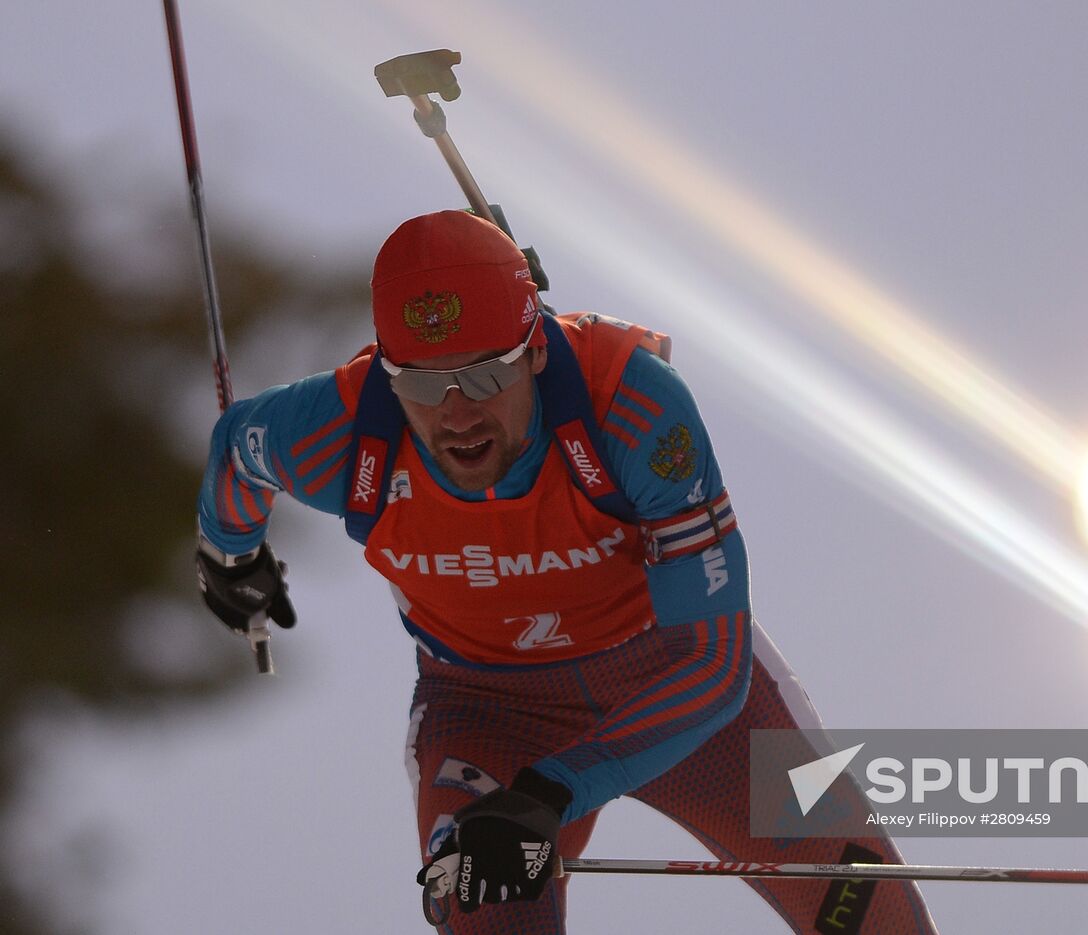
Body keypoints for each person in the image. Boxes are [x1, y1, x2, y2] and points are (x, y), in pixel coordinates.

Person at [194, 209, 939, 933]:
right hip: (485, 710)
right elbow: (236, 448)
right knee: (484, 902)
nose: (455, 415)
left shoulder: (632, 408)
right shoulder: (339, 432)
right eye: (422, 383)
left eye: (484, 377)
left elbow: (713, 663)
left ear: (537, 349)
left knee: (869, 915)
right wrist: (233, 559)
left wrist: (556, 790)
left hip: (667, 684)